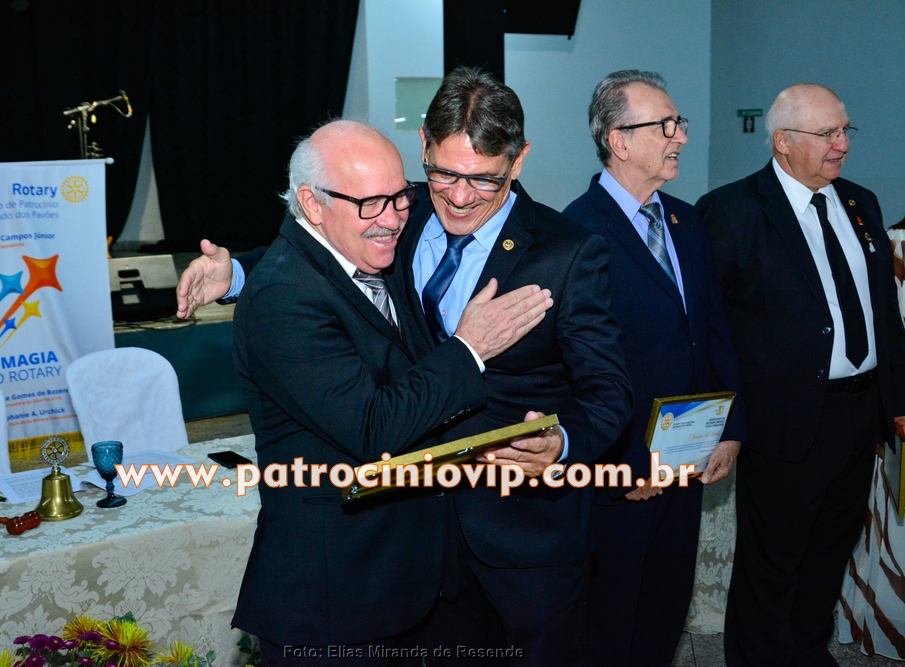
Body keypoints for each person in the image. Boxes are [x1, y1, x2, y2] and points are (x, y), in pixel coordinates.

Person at [227, 119, 553, 665]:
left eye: (401, 197)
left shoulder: (358, 251)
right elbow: (374, 428)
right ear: (311, 204)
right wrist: (470, 348)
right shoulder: (282, 299)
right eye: (371, 204)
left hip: (403, 582)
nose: (393, 219)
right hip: (334, 599)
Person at [383, 66, 631, 666]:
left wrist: (562, 442)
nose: (459, 196)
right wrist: (232, 273)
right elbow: (326, 254)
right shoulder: (398, 215)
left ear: (518, 161)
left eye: (483, 179)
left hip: (528, 540)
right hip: (416, 529)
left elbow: (609, 390)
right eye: (443, 173)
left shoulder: (567, 251)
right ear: (422, 145)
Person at [695, 83, 905, 667]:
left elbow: (884, 314)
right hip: (782, 420)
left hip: (859, 414)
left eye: (845, 130)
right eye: (827, 133)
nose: (842, 144)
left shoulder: (861, 202)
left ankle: (809, 653)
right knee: (772, 562)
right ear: (783, 142)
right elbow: (710, 330)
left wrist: (897, 401)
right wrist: (726, 421)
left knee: (829, 552)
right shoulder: (731, 211)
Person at [561, 70, 747, 667]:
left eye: (679, 123)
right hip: (620, 472)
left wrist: (731, 427)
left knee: (665, 610)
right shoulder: (575, 231)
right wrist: (625, 460)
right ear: (618, 140)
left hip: (687, 459)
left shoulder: (687, 221)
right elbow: (575, 370)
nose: (680, 137)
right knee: (611, 620)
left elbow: (713, 330)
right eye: (665, 126)